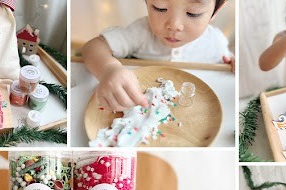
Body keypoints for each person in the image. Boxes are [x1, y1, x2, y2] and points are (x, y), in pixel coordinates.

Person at [82, 0, 234, 111]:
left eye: (193, 13)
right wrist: (108, 69)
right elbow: (93, 47)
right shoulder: (140, 33)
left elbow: (224, 71)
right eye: (160, 8)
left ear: (216, 10)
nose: (174, 25)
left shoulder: (216, 43)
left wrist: (233, 64)